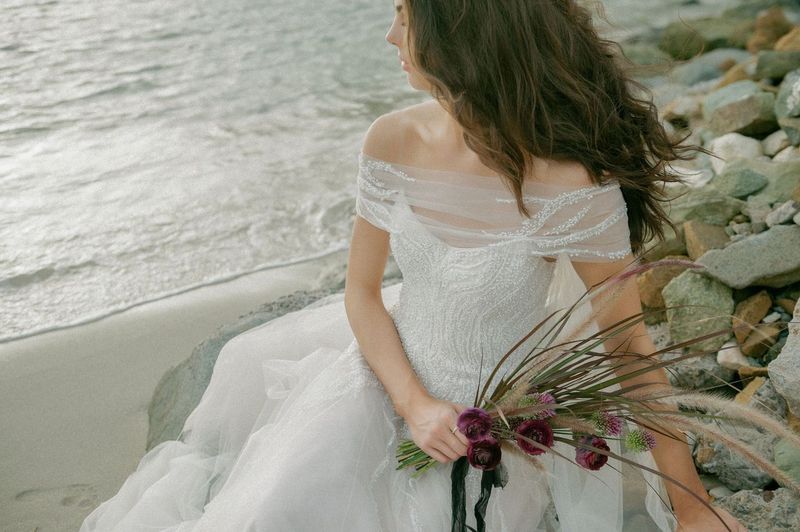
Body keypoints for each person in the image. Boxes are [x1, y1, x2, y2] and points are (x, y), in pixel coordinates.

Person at [81, 1, 747, 530]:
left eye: (404, 14)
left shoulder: (566, 184)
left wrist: (690, 507)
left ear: (458, 31)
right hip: (382, 388)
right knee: (266, 512)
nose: (391, 35)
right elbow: (363, 293)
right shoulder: (392, 140)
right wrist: (416, 405)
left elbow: (628, 346)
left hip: (490, 432)